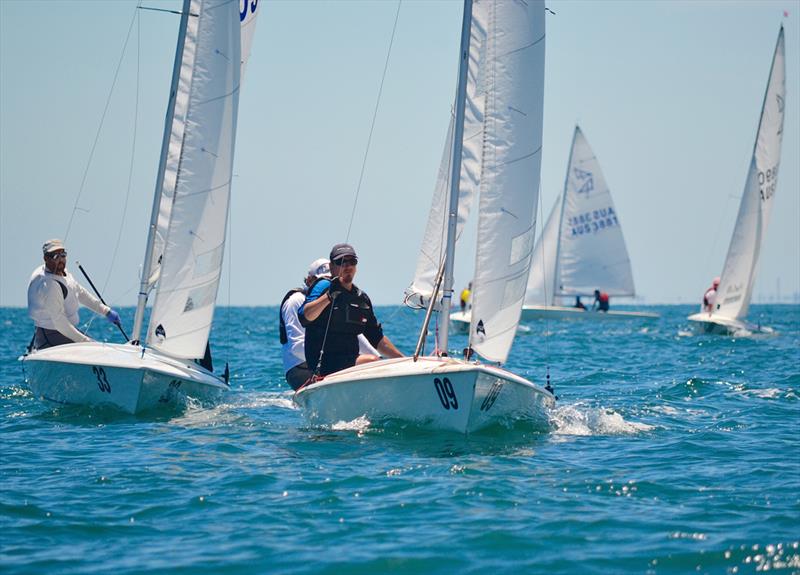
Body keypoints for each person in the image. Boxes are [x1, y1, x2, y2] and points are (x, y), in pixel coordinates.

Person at [300, 243, 403, 377]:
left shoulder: (361, 298)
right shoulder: (323, 286)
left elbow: (376, 338)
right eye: (341, 262)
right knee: (372, 361)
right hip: (325, 366)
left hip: (350, 363)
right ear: (332, 267)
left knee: (384, 364)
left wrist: (403, 360)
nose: (347, 266)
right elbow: (304, 316)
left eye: (352, 262)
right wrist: (329, 296)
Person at [27, 239, 121, 350]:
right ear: (46, 259)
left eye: (63, 255)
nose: (61, 260)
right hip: (51, 336)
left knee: (97, 348)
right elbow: (60, 323)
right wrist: (87, 342)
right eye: (56, 256)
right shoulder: (49, 285)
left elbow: (80, 292)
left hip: (64, 332)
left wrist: (106, 311)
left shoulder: (62, 272)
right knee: (95, 349)